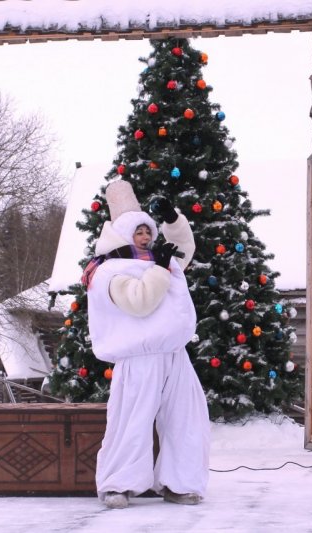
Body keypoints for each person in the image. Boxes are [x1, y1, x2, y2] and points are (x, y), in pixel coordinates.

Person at [84, 179, 210, 510]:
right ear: (125, 235)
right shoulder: (109, 270)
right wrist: (159, 268)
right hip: (139, 358)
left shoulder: (156, 260)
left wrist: (172, 219)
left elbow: (185, 247)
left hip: (174, 354)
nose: (145, 237)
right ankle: (117, 485)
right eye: (138, 232)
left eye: (147, 231)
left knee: (186, 420)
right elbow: (140, 301)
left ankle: (179, 483)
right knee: (131, 423)